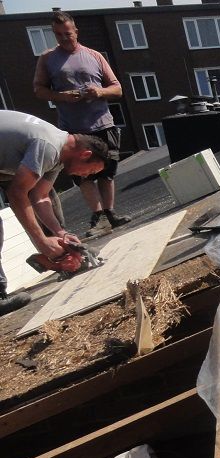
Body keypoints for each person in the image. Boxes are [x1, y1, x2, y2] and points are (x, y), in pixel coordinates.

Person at [0, 111, 108, 316]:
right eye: (90, 171)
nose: (85, 176)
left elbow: (39, 196)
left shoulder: (59, 153)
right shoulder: (48, 146)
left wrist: (61, 233)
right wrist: (42, 241)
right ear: (85, 155)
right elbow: (17, 193)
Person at [33, 11, 131, 232]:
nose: (64, 38)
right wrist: (62, 96)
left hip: (102, 124)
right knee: (82, 175)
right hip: (73, 130)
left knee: (107, 171)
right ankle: (98, 217)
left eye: (67, 33)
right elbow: (38, 90)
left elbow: (117, 89)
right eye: (58, 35)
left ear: (76, 31)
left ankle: (110, 213)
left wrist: (99, 92)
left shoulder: (94, 55)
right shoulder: (47, 58)